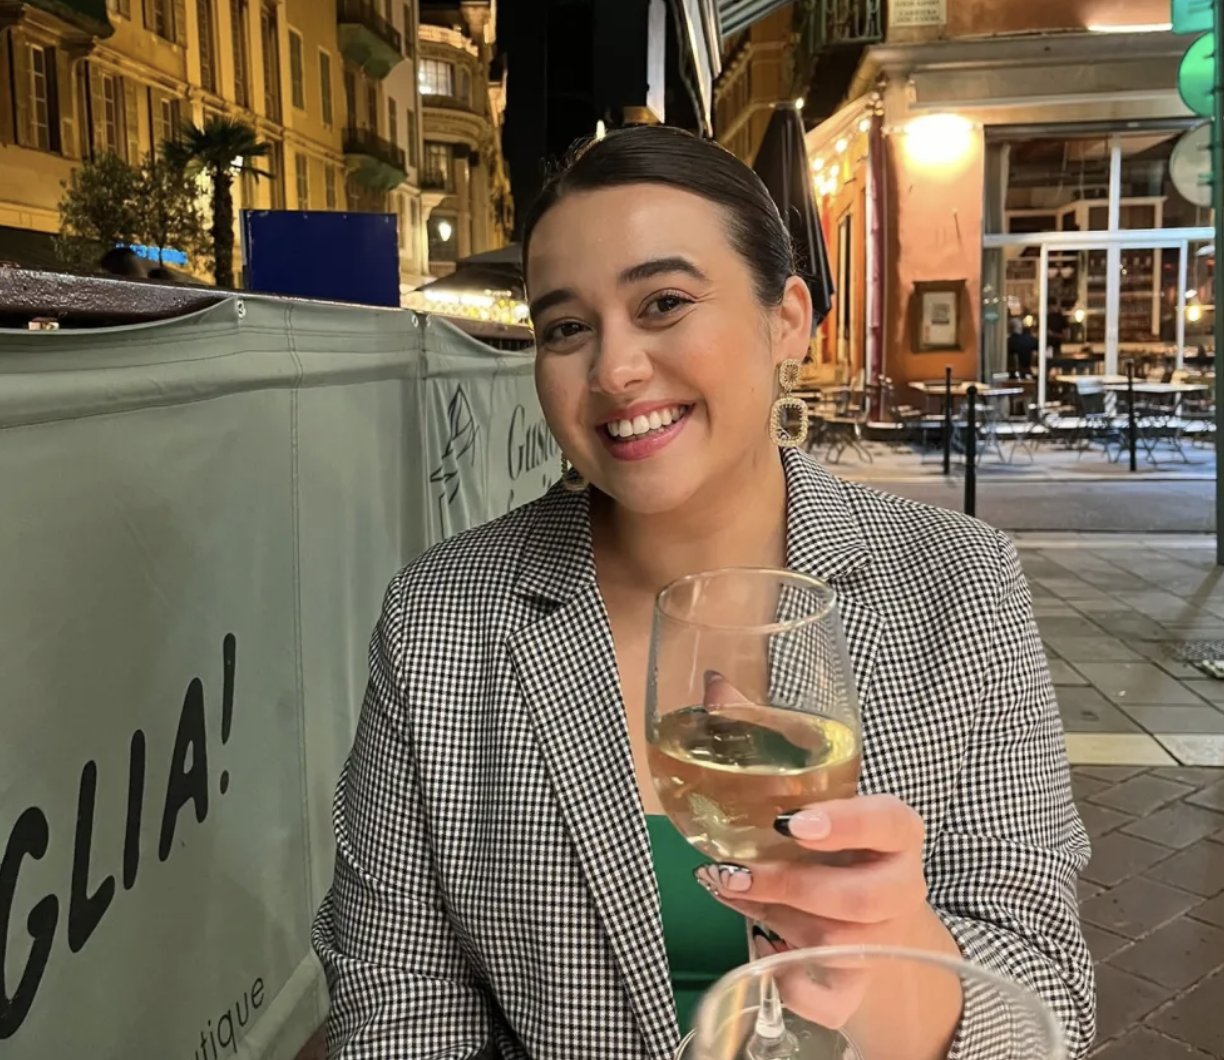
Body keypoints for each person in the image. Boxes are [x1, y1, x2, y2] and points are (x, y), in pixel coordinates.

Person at [312, 126, 1094, 1060]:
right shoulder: (443, 617)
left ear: (787, 319)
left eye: (665, 302)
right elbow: (397, 991)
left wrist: (886, 957)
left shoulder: (954, 584)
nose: (613, 371)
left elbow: (1048, 985)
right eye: (566, 327)